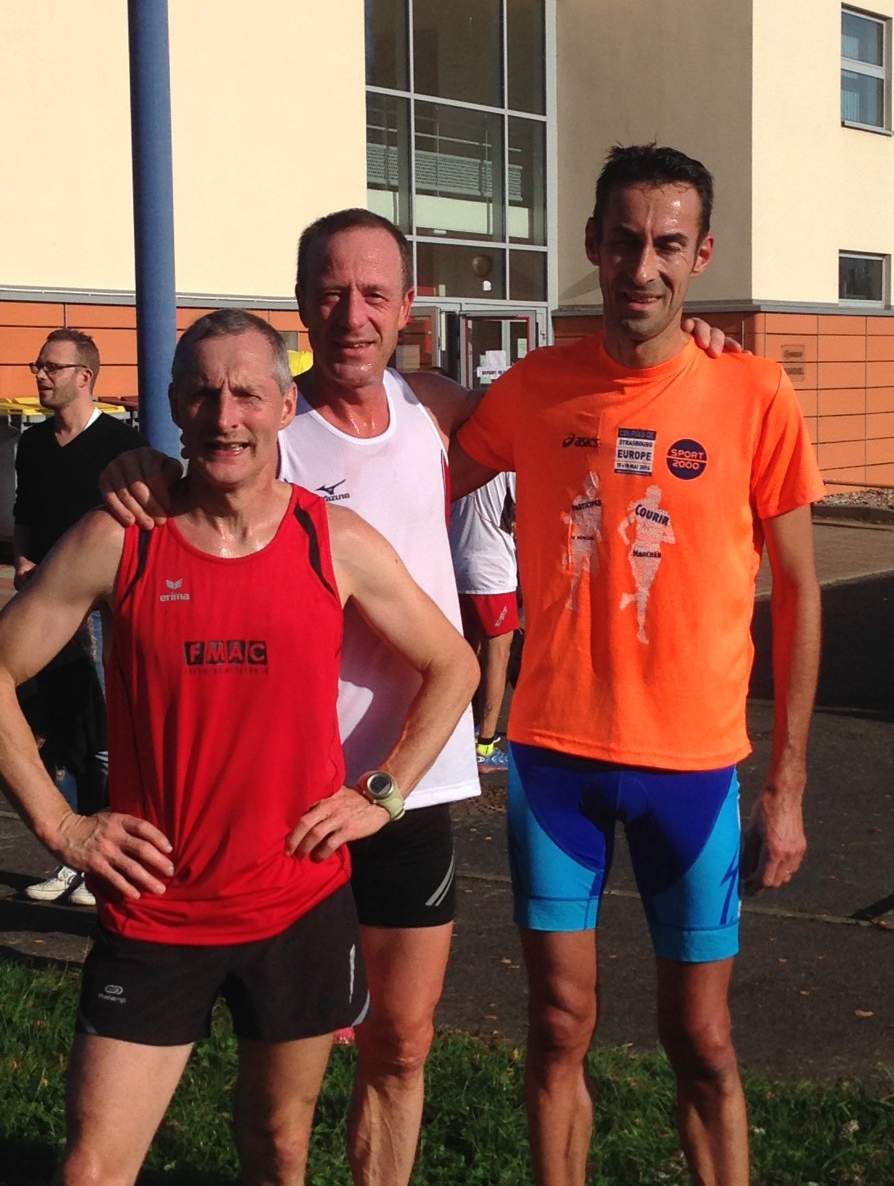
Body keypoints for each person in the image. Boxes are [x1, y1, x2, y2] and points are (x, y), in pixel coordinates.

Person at [100, 208, 740, 1186]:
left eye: (373, 295)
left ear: (408, 307)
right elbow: (179, 480)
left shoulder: (434, 409)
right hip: (291, 799)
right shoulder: (264, 425)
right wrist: (135, 465)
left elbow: (586, 389)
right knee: (283, 1076)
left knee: (400, 1046)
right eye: (330, 294)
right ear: (301, 303)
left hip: (407, 789)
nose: (351, 316)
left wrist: (689, 337)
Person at [0, 309, 478, 1186]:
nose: (226, 417)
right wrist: (60, 826)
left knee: (279, 1150)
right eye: (204, 395)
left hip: (295, 905)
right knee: (91, 1170)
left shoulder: (330, 540)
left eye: (248, 394)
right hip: (156, 908)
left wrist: (380, 794)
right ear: (173, 406)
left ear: (285, 406)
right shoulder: (122, 537)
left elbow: (454, 664)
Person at [450, 145, 823, 1186]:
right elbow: (407, 468)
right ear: (592, 245)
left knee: (701, 1039)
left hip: (692, 769)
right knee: (557, 1023)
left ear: (700, 254)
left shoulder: (752, 391)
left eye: (666, 244)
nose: (641, 267)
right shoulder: (534, 386)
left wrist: (787, 784)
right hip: (553, 759)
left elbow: (800, 595)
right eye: (623, 242)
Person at [14, 328, 147, 906]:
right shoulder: (33, 443)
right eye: (37, 366)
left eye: (52, 366)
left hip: (99, 615)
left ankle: (106, 858)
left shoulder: (120, 446)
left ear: (84, 376)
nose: (41, 375)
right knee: (51, 733)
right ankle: (70, 857)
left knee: (104, 735)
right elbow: (24, 512)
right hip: (42, 612)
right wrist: (24, 559)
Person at [449, 472, 518, 770]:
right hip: (491, 572)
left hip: (454, 564)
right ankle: (485, 747)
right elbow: (522, 511)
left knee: (463, 658)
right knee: (497, 659)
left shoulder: (454, 457)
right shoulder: (504, 464)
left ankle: (455, 738)